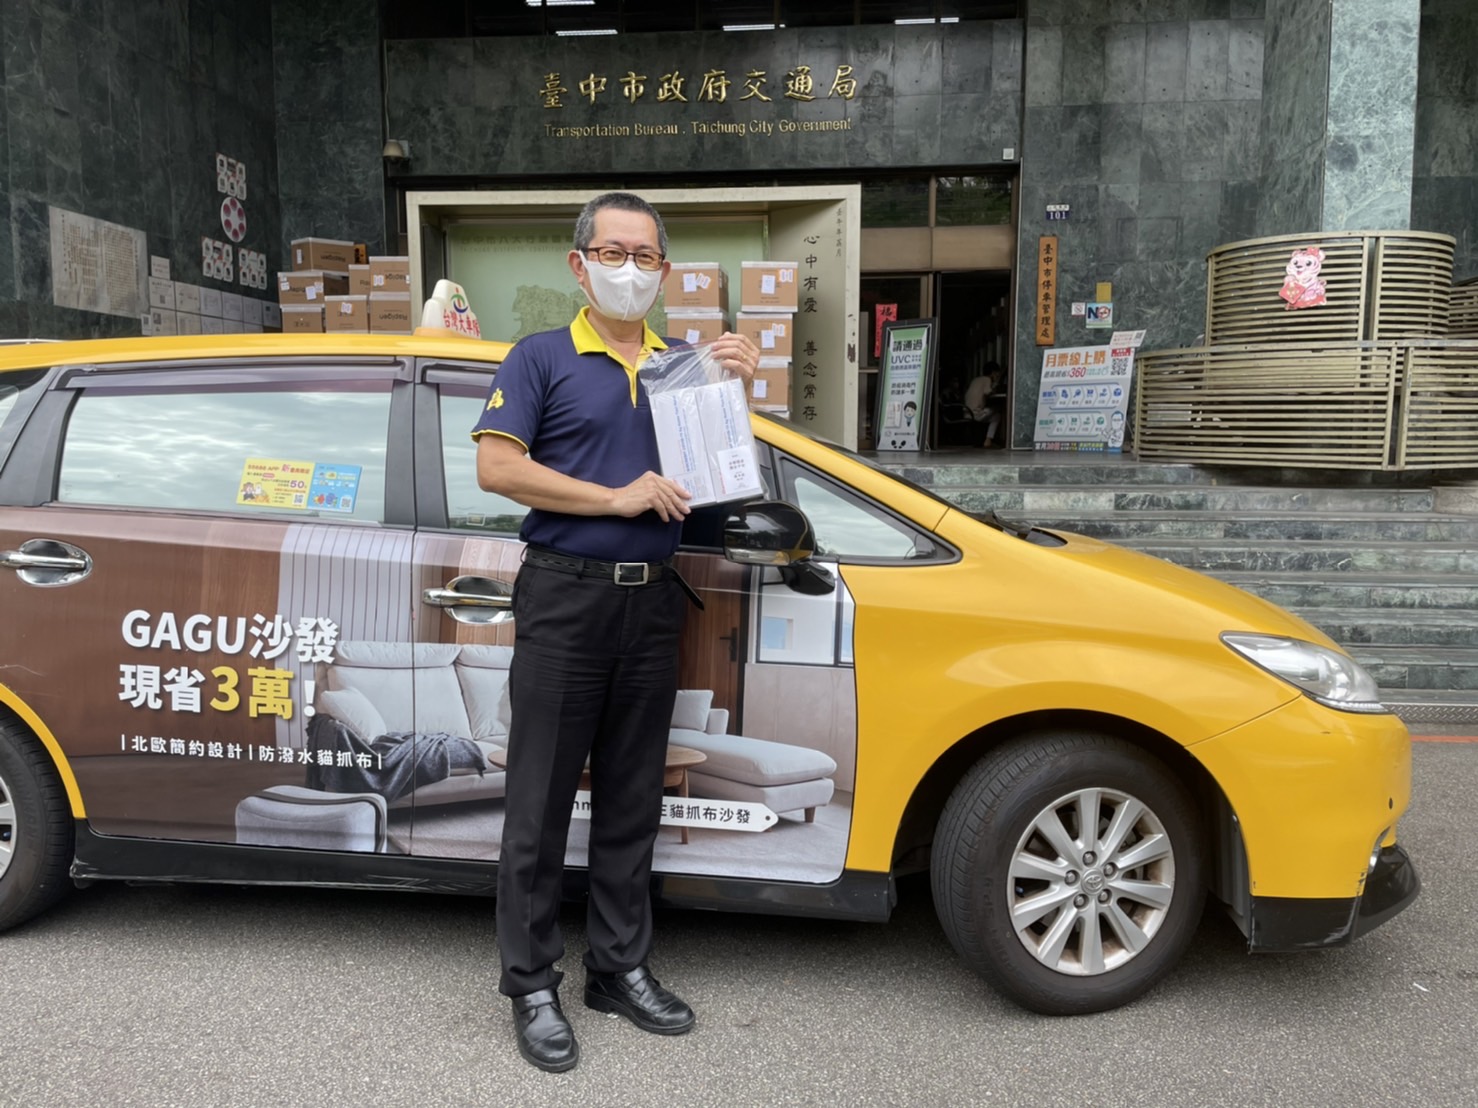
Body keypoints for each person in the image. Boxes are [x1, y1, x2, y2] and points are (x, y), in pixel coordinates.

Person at [471, 192, 760, 1073]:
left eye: (645, 257)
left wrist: (734, 396)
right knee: (540, 803)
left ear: (664, 272)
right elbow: (496, 467)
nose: (629, 270)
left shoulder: (682, 370)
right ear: (579, 263)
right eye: (612, 253)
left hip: (653, 602)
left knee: (634, 798)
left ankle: (617, 968)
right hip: (565, 598)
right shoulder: (540, 357)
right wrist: (615, 497)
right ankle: (531, 984)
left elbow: (714, 489)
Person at [963, 363, 1004, 448]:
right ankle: (988, 440)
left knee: (995, 417)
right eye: (997, 373)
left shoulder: (976, 379)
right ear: (993, 373)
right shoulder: (987, 379)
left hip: (967, 412)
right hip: (976, 414)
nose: (997, 375)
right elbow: (987, 392)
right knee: (998, 410)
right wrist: (995, 385)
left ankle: (988, 440)